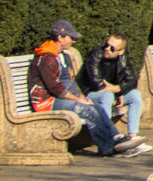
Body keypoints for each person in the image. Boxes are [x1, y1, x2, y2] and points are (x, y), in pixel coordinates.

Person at [30, 21, 142, 157]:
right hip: (46, 102)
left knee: (97, 107)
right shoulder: (46, 57)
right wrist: (78, 100)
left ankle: (117, 138)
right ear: (60, 37)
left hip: (59, 98)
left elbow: (68, 83)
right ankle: (108, 148)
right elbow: (56, 89)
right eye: (71, 38)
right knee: (86, 109)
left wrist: (82, 98)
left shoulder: (61, 56)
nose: (73, 41)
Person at [79, 34, 148, 145]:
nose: (107, 49)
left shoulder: (123, 57)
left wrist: (118, 89)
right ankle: (109, 137)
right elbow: (98, 85)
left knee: (135, 95)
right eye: (106, 45)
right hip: (89, 94)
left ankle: (132, 136)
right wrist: (116, 94)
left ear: (120, 51)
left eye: (112, 48)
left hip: (112, 95)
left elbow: (132, 81)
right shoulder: (96, 54)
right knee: (107, 96)